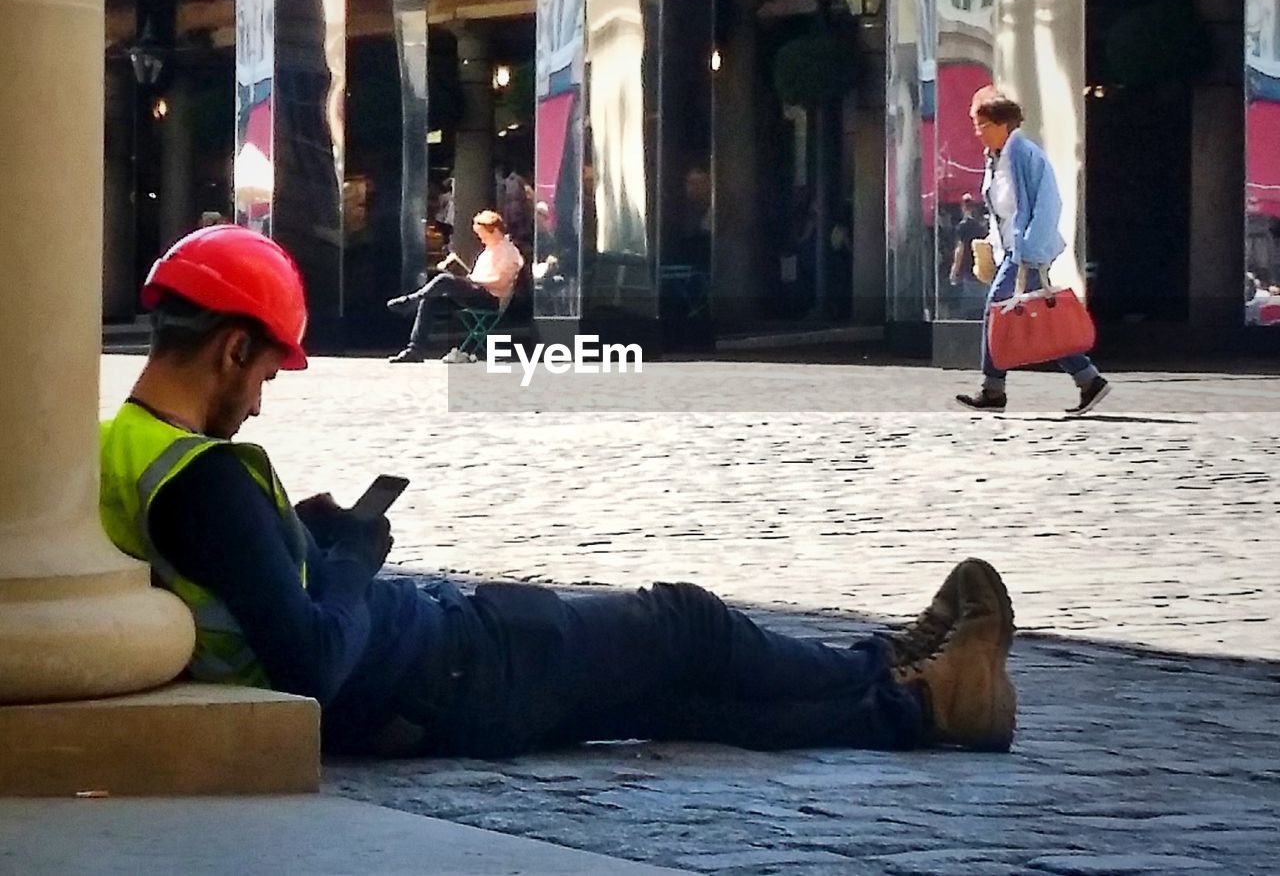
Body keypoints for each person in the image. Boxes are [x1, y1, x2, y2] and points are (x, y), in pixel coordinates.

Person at [100, 224, 1019, 759]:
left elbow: (228, 583)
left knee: (673, 702)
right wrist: (349, 555)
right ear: (231, 347)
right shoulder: (206, 478)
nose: (261, 399)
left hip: (427, 694)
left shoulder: (122, 445)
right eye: (266, 372)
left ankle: (928, 704)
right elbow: (310, 665)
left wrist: (291, 540)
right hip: (444, 666)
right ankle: (886, 661)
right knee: (683, 625)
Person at [956, 89, 1111, 416]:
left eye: (982, 124)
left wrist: (1030, 251)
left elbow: (1047, 203)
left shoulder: (1025, 154)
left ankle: (993, 389)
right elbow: (1003, 211)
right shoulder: (995, 158)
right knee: (1039, 319)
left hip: (1026, 252)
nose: (977, 131)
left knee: (997, 311)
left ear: (1002, 124)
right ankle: (1088, 379)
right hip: (1013, 251)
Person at [386, 209, 524, 364]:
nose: (481, 239)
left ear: (495, 231)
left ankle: (411, 300)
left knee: (444, 279)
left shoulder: (509, 252)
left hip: (490, 298)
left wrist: (474, 281)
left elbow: (501, 282)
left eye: (483, 234)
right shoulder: (488, 251)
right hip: (477, 292)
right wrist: (467, 278)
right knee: (431, 300)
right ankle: (415, 349)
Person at [948, 193, 989, 320]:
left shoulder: (963, 226)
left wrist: (954, 271)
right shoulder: (981, 227)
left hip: (968, 272)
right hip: (980, 270)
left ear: (963, 207)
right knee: (982, 308)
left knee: (970, 309)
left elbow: (960, 250)